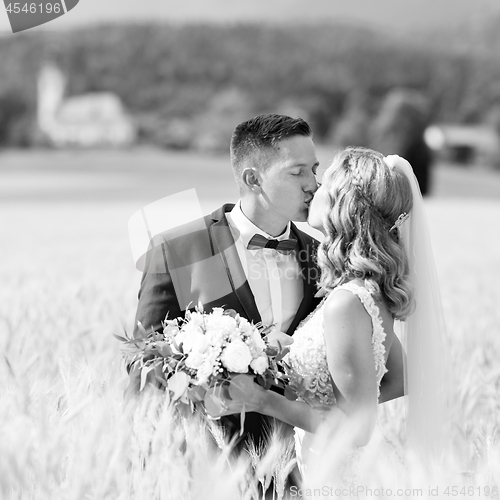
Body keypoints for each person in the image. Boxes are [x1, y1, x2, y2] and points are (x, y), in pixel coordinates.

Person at [125, 116, 405, 453]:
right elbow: (143, 358)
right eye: (297, 171)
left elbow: (383, 374)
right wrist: (211, 386)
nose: (313, 185)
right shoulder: (178, 249)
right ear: (253, 178)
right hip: (202, 460)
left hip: (292, 465)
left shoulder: (326, 260)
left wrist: (305, 401)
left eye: (315, 170)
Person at [220, 146, 448, 479]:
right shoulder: (365, 290)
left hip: (339, 474)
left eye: (324, 183)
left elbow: (358, 430)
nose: (313, 188)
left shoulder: (347, 302)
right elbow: (402, 377)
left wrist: (265, 401)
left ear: (345, 204)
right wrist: (330, 403)